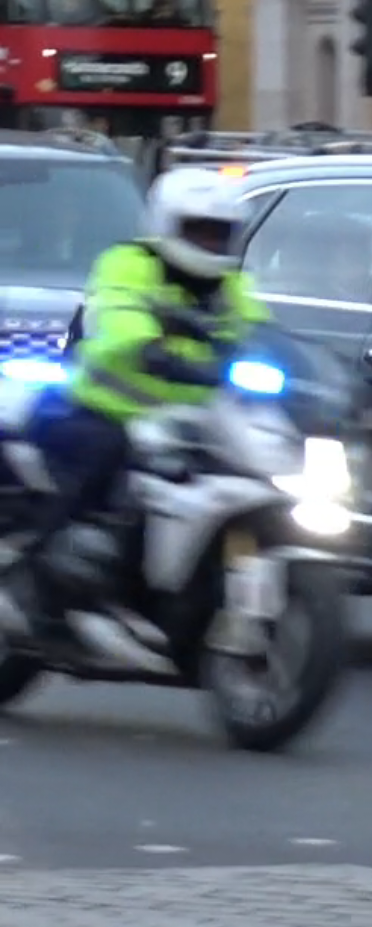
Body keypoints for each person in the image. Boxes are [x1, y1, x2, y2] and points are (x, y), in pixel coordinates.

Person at [14, 168, 269, 638]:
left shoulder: (230, 284)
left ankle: (181, 588)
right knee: (102, 462)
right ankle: (41, 583)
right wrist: (153, 351)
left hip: (191, 420)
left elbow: (259, 329)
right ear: (166, 224)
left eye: (220, 233)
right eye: (200, 231)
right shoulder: (128, 263)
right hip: (103, 409)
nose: (211, 243)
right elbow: (118, 318)